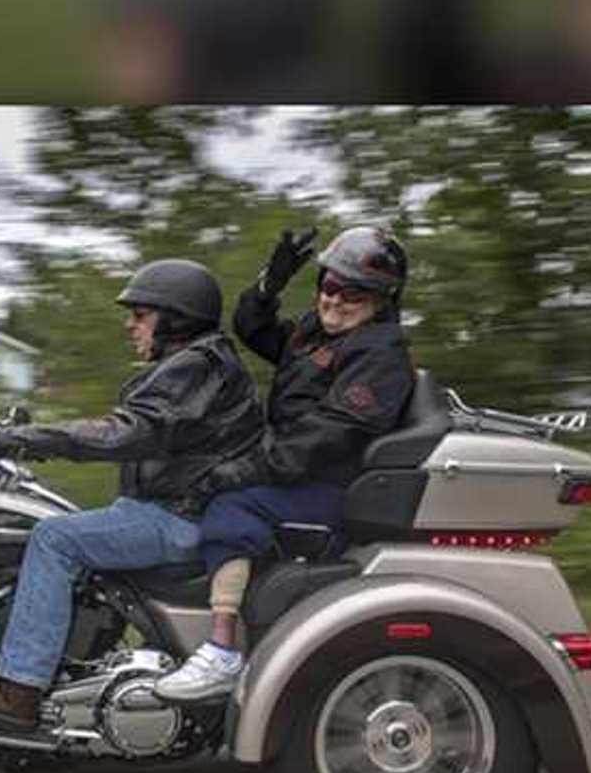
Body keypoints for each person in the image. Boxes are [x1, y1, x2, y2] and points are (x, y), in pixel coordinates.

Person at [0, 259, 265, 730]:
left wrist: (24, 439)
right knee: (49, 519)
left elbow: (126, 433)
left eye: (141, 314)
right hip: (165, 507)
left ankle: (17, 690)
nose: (130, 325)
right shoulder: (190, 364)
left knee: (53, 538)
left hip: (180, 517)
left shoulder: (196, 365)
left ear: (176, 318)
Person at [153, 226, 417, 701]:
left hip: (332, 486)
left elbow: (328, 435)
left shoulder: (381, 354)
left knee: (231, 506)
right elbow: (253, 330)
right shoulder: (319, 335)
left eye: (353, 293)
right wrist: (269, 284)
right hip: (299, 471)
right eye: (328, 286)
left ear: (382, 299)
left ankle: (221, 650)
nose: (334, 301)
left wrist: (247, 469)